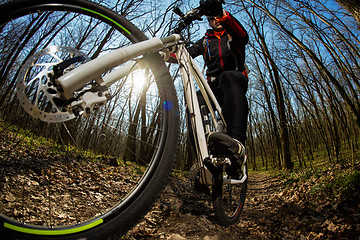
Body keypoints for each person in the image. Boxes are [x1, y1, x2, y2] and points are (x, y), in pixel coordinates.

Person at [188, 0, 249, 178]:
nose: (216, 20)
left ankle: (237, 146)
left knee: (227, 77)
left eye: (218, 16)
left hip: (234, 81)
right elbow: (184, 54)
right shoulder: (205, 41)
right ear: (208, 22)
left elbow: (243, 36)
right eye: (212, 18)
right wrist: (165, 53)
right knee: (194, 101)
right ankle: (202, 159)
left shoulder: (232, 33)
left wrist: (221, 12)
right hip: (212, 87)